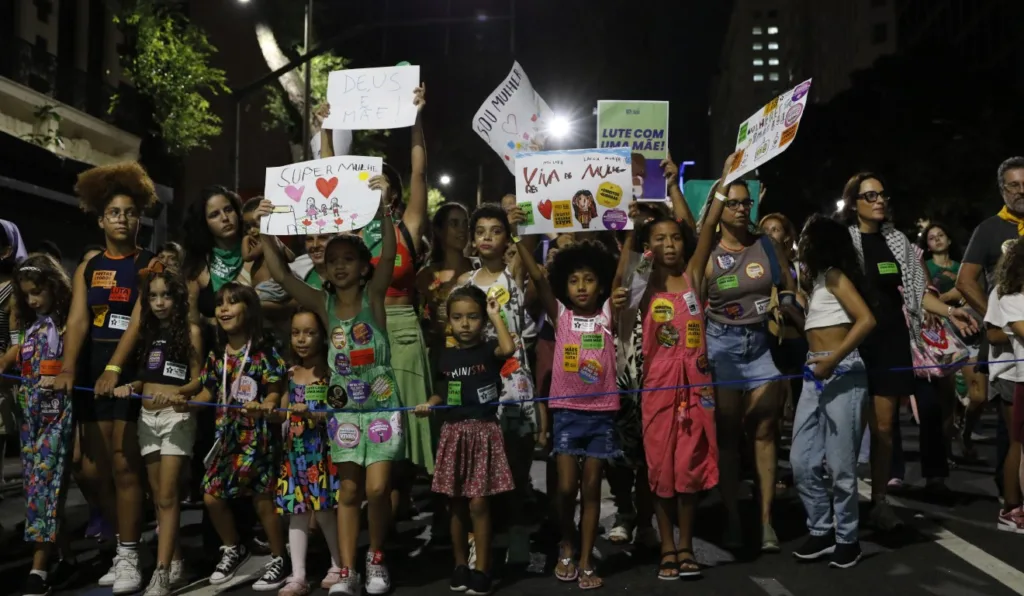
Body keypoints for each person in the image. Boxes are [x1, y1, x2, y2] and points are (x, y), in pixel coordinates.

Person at [257, 176, 401, 596]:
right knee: (349, 492)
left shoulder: (375, 296)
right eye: (332, 259)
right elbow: (281, 274)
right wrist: (266, 227)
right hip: (343, 410)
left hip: (381, 405)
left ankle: (376, 559)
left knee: (377, 488)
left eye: (348, 259)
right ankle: (349, 571)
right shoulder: (324, 304)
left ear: (363, 266)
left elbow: (389, 253)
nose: (339, 266)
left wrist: (385, 210)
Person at [839, 172, 975, 529]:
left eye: (882, 194)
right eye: (870, 196)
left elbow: (917, 294)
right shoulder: (843, 242)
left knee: (884, 428)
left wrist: (950, 312)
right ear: (854, 204)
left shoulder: (897, 241)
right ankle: (841, 504)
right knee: (849, 426)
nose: (879, 201)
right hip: (853, 342)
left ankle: (879, 502)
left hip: (892, 342)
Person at [53, 162, 160, 594]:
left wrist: (116, 367)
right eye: (114, 212)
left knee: (123, 463)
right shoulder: (88, 266)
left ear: (139, 220)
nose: (122, 219)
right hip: (90, 370)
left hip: (130, 367)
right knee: (92, 471)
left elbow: (139, 318)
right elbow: (77, 321)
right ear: (101, 220)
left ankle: (130, 553)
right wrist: (67, 367)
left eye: (130, 213)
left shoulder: (150, 263)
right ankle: (125, 543)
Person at [510, 233, 620, 589]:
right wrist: (519, 238)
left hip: (602, 413)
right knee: (567, 487)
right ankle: (566, 543)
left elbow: (622, 274)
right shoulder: (561, 315)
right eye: (574, 280)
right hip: (567, 413)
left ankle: (585, 560)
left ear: (601, 285)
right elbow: (538, 277)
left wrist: (631, 234)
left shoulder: (607, 315)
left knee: (591, 489)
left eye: (589, 280)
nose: (582, 287)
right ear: (564, 285)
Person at [704, 172, 799, 551]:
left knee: (765, 432)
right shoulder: (707, 249)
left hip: (761, 344)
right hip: (720, 346)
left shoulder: (765, 244)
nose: (742, 209)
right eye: (733, 203)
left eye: (746, 203)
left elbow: (788, 282)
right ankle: (731, 518)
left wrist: (787, 306)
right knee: (728, 437)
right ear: (719, 208)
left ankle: (765, 522)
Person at [417, 286, 517, 595]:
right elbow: (441, 392)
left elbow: (509, 348)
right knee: (456, 504)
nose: (464, 323)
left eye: (473, 317)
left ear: (482, 320)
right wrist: (429, 404)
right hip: (453, 432)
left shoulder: (489, 349)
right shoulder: (443, 355)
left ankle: (482, 568)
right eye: (458, 317)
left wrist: (495, 314)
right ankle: (460, 565)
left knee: (479, 504)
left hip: (483, 432)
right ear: (449, 320)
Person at [788, 215, 875, 569]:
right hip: (815, 373)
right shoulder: (820, 282)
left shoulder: (836, 276)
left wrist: (833, 360)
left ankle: (848, 539)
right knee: (801, 460)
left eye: (806, 239)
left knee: (840, 465)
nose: (801, 245)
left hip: (842, 370)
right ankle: (822, 529)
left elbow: (866, 320)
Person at [456, 204, 541, 564]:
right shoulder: (464, 283)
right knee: (480, 468)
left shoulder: (514, 273)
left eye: (496, 230)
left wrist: (525, 224)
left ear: (506, 238)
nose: (487, 237)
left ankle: (518, 535)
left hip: (514, 378)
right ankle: (482, 542)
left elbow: (530, 247)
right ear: (472, 240)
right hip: (479, 378)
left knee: (516, 465)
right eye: (480, 231)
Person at [190, 282, 289, 590]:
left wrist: (267, 404)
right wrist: (187, 403)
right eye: (220, 303)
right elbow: (207, 391)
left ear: (250, 310)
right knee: (211, 496)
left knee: (262, 500)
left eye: (232, 302)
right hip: (227, 439)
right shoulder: (217, 355)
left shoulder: (264, 353)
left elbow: (275, 392)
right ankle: (234, 547)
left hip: (257, 438)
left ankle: (279, 557)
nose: (224, 309)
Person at [112, 271, 203, 595]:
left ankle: (161, 574)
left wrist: (179, 393)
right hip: (146, 419)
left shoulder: (191, 331)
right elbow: (146, 377)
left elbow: (198, 379)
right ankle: (176, 561)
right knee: (157, 495)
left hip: (175, 418)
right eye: (153, 296)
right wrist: (129, 386)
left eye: (166, 295)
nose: (159, 302)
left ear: (178, 298)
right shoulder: (148, 332)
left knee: (167, 495)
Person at [956, 156, 1024, 528]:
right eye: (1014, 185)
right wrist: (996, 316)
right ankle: (1011, 500)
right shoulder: (990, 229)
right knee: (1013, 429)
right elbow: (965, 281)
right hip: (1006, 347)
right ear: (1003, 190)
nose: (1021, 191)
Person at [3, 255, 74, 596]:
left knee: (45, 486)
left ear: (53, 287)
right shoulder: (29, 327)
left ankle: (39, 568)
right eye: (26, 293)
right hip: (29, 416)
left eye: (38, 292)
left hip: (56, 414)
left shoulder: (66, 323)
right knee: (36, 487)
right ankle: (66, 555)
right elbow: (13, 358)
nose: (32, 300)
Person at [276, 309, 344, 596]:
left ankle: (339, 565)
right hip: (294, 454)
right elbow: (280, 413)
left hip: (321, 451)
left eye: (309, 333)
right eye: (296, 333)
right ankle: (298, 575)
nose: (301, 339)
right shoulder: (290, 374)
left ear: (323, 337)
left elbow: (337, 413)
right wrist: (263, 409)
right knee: (296, 512)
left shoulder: (331, 373)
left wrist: (313, 414)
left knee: (325, 511)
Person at [983, 243, 1024, 533]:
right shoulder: (1004, 293)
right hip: (1010, 372)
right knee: (1017, 442)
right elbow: (994, 335)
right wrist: (1014, 333)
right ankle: (1011, 506)